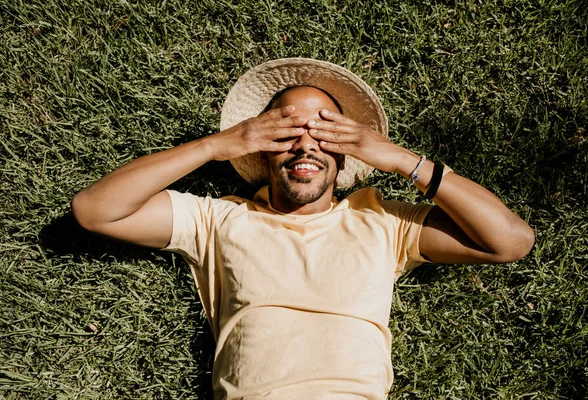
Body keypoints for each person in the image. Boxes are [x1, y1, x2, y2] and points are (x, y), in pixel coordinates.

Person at [71, 58, 534, 399]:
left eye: (325, 133)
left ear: (346, 152)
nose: (305, 146)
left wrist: (401, 160)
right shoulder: (216, 219)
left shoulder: (383, 220)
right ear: (261, 146)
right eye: (285, 131)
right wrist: (218, 145)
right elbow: (95, 210)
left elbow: (511, 240)